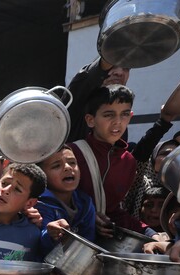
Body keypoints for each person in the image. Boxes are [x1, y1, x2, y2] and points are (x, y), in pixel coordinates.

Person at [68, 84, 150, 238]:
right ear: (90, 120)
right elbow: (54, 200)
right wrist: (87, 216)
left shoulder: (128, 162)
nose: (118, 122)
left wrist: (150, 233)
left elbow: (114, 211)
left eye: (124, 114)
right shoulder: (71, 154)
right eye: (108, 115)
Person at [0, 163, 47, 262]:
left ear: (29, 203)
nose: (5, 190)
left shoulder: (32, 234)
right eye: (4, 183)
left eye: (17, 189)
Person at [36, 147, 96, 250]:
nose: (68, 167)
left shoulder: (85, 202)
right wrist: (51, 235)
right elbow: (40, 244)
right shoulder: (39, 204)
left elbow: (88, 242)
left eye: (72, 162)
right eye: (56, 166)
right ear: (42, 175)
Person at [66, 57, 131, 143]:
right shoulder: (78, 98)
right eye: (112, 66)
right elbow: (88, 77)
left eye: (126, 68)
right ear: (90, 119)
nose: (119, 72)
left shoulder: (121, 110)